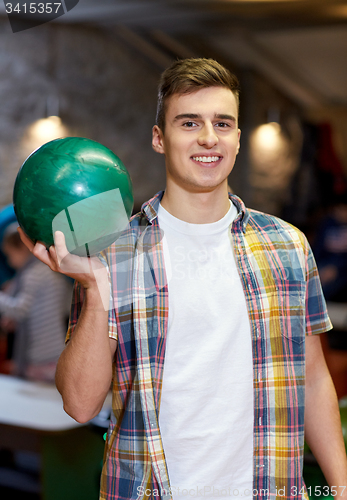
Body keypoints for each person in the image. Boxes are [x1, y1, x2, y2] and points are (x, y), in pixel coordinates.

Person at [19, 58, 347, 499]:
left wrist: (340, 487)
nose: (208, 138)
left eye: (223, 123)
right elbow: (80, 405)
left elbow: (311, 374)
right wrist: (95, 289)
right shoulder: (112, 252)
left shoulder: (287, 245)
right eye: (189, 122)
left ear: (236, 138)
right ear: (159, 138)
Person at [0, 223, 72, 382]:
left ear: (22, 247)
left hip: (41, 352)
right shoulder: (50, 269)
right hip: (57, 347)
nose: (10, 263)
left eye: (10, 255)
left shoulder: (32, 274)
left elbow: (21, 310)